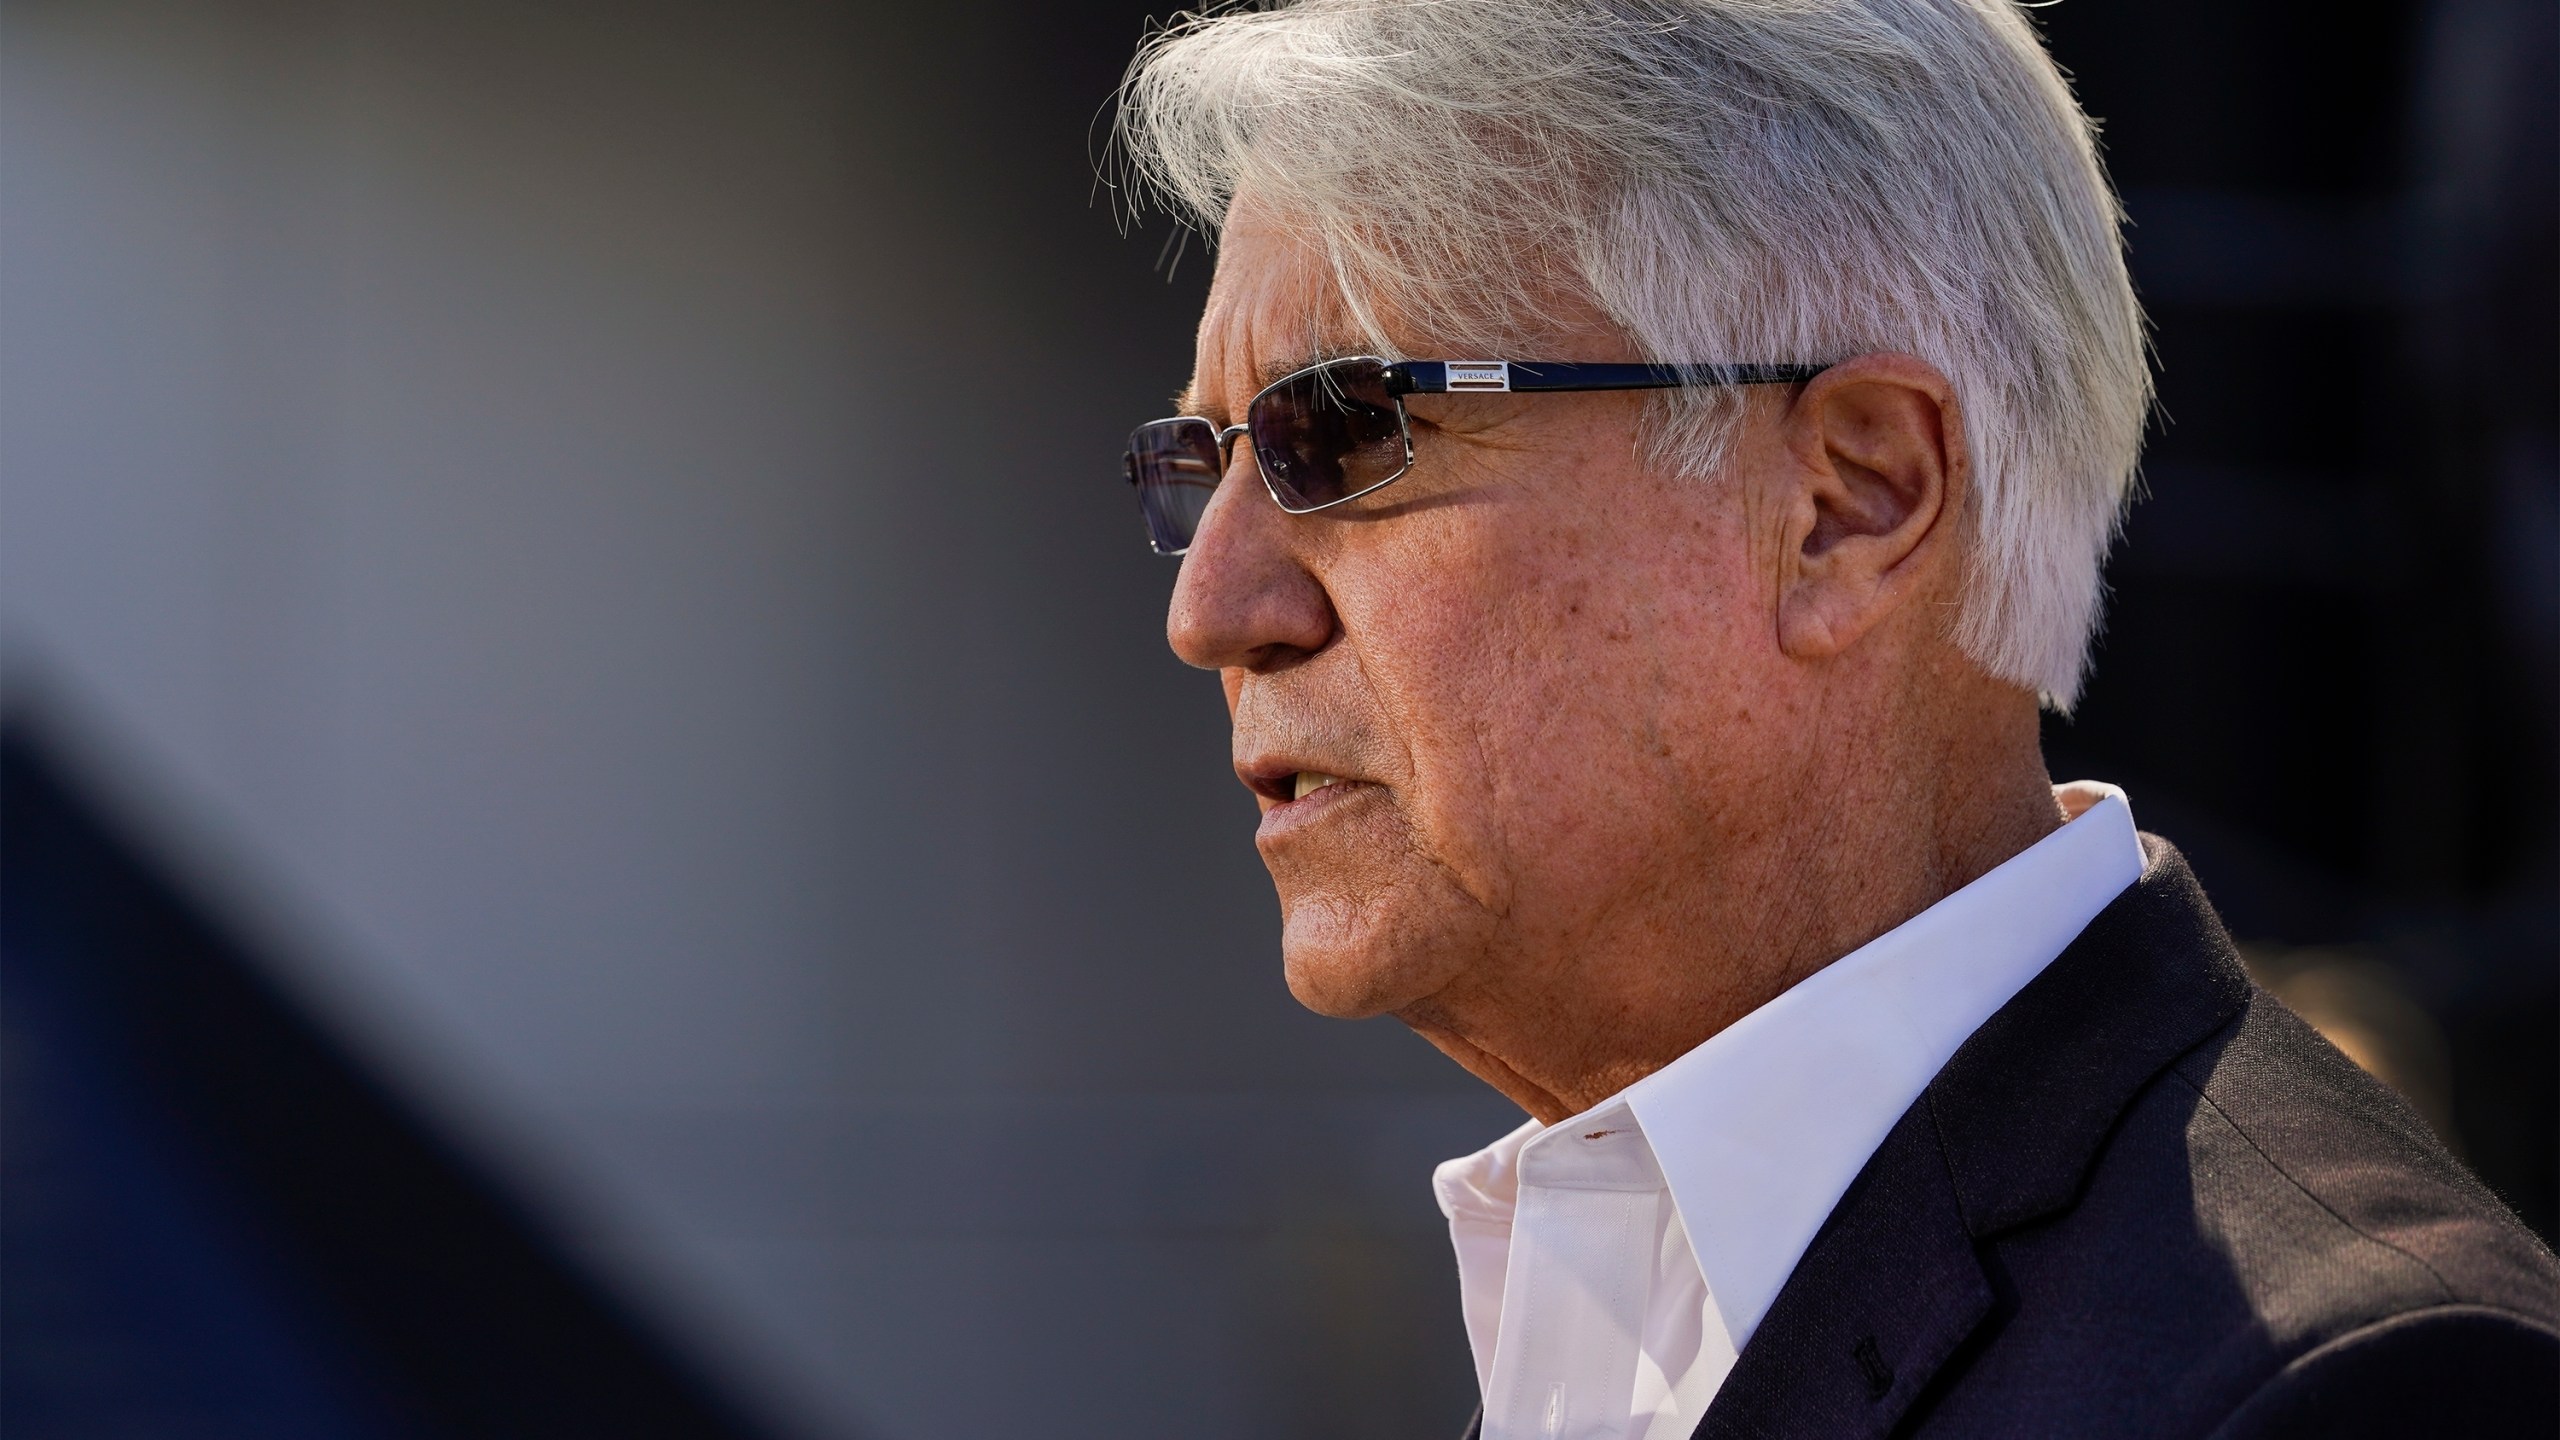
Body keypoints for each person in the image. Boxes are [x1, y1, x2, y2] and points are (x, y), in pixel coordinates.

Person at [1109, 2, 2560, 1436]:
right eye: (1203, 462)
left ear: (1850, 503)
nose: (1214, 610)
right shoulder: (1616, 1279)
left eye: (1348, 427)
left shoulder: (2356, 1387)